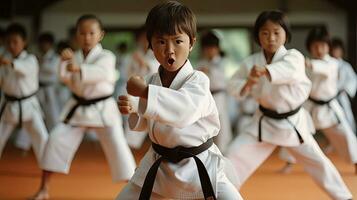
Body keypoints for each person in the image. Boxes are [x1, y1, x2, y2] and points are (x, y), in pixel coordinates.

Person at [116, 1, 242, 199]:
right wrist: (133, 108)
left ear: (191, 43)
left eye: (177, 41)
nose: (170, 50)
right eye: (161, 41)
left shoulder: (198, 80)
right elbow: (149, 124)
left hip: (199, 166)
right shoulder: (151, 80)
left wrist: (145, 92)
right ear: (150, 45)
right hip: (158, 166)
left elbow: (183, 112)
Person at [226, 11, 353, 199]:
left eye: (277, 32)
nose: (271, 38)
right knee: (231, 156)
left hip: (293, 124)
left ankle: (345, 197)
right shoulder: (251, 63)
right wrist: (249, 83)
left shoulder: (294, 57)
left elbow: (290, 72)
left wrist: (266, 71)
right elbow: (232, 86)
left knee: (319, 163)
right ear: (257, 36)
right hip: (263, 124)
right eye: (265, 33)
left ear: (286, 34)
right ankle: (217, 194)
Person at [31, 14, 136, 200]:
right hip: (78, 109)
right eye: (82, 33)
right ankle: (43, 189)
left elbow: (102, 73)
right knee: (54, 141)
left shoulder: (107, 56)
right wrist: (64, 62)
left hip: (102, 109)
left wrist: (78, 68)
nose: (87, 37)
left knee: (120, 151)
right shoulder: (75, 56)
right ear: (77, 35)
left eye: (91, 33)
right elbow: (64, 78)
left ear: (100, 35)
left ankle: (137, 193)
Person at [303, 27, 357, 173]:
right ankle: (289, 161)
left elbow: (323, 68)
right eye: (315, 46)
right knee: (297, 132)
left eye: (323, 45)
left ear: (328, 47)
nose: (319, 49)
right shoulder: (306, 65)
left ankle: (356, 161)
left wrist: (309, 64)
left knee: (346, 135)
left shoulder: (333, 63)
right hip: (310, 107)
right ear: (310, 47)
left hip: (329, 108)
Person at [0, 23, 48, 165]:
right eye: (8, 42)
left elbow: (23, 69)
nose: (12, 45)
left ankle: (47, 167)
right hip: (9, 105)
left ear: (24, 42)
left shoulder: (30, 59)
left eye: (15, 42)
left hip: (29, 106)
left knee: (41, 137)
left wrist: (9, 63)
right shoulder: (4, 61)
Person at [197, 30, 233, 153]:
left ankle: (224, 156)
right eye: (207, 48)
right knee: (205, 128)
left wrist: (210, 70)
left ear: (217, 48)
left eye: (212, 48)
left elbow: (224, 80)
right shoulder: (201, 63)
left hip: (220, 96)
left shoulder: (223, 61)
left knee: (222, 130)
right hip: (206, 98)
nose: (209, 51)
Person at [330, 38, 357, 133]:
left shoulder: (346, 66)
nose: (335, 51)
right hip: (329, 98)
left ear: (342, 51)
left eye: (338, 49)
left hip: (342, 97)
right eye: (333, 49)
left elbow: (353, 80)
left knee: (347, 119)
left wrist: (345, 90)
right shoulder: (328, 64)